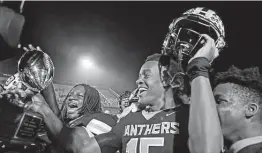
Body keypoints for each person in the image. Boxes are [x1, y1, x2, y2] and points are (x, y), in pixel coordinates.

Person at [29, 52, 191, 153]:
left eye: (146, 75)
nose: (138, 81)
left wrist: (200, 71)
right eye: (139, 76)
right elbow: (82, 148)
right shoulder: (129, 122)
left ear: (173, 82)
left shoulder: (189, 116)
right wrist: (42, 107)